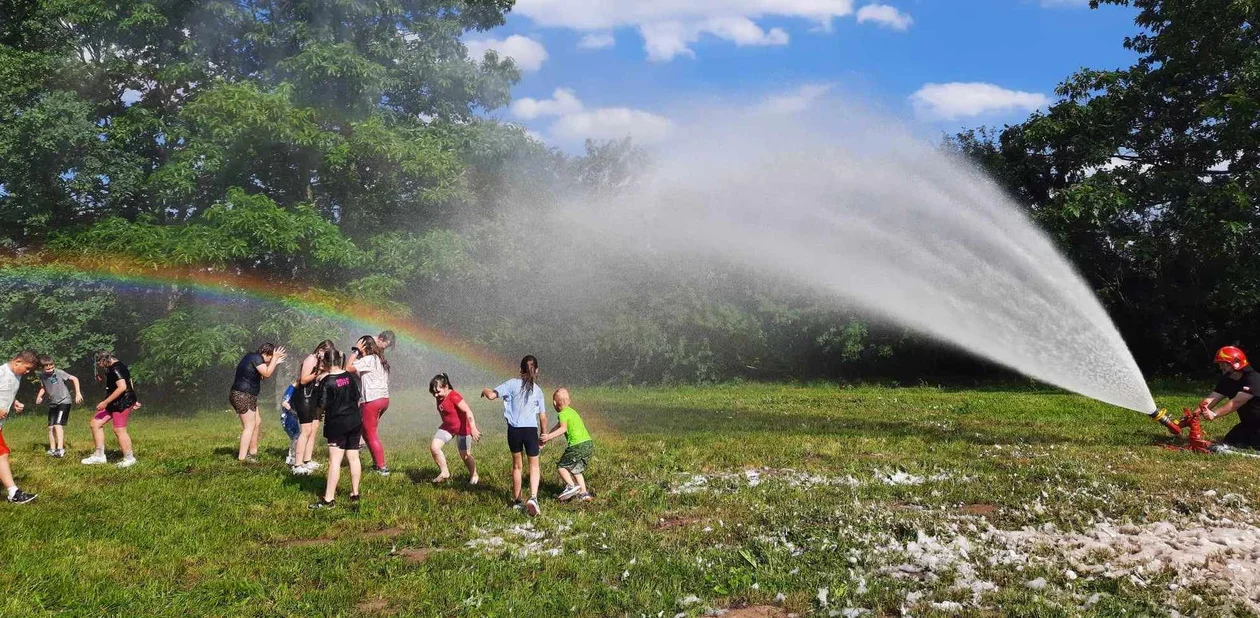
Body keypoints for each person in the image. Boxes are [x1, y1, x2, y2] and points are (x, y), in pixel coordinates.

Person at [482, 355, 548, 517]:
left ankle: (517, 500)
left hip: (514, 431)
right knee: (534, 466)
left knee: (517, 466)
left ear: (520, 370)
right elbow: (543, 417)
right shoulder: (538, 390)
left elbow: (491, 395)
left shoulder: (511, 384)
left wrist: (485, 390)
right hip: (530, 430)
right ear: (537, 371)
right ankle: (533, 497)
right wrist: (543, 434)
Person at [310, 350, 362, 509]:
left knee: (335, 461)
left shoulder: (327, 381)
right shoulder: (349, 376)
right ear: (339, 360)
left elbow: (322, 404)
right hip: (354, 421)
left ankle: (328, 499)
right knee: (353, 457)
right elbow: (357, 398)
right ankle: (355, 493)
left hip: (337, 424)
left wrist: (316, 417)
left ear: (325, 363)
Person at [229, 343, 287, 463]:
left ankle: (253, 451)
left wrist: (274, 362)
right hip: (243, 394)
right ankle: (242, 458)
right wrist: (275, 358)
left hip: (247, 395)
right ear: (266, 354)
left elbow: (262, 375)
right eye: (269, 358)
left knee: (257, 421)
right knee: (249, 426)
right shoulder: (256, 357)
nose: (268, 362)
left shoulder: (253, 358)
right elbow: (266, 373)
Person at [83, 350, 139, 468]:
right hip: (114, 401)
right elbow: (129, 381)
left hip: (122, 402)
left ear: (103, 360)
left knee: (119, 430)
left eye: (98, 364)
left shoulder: (116, 368)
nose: (98, 366)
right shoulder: (113, 366)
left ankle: (129, 458)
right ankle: (99, 456)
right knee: (95, 423)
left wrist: (105, 402)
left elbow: (123, 387)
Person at [1199, 346, 1260, 450]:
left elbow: (1236, 402)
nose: (1220, 367)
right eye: (1220, 364)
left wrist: (1214, 414)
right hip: (1249, 424)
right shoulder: (1227, 380)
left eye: (1223, 364)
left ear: (1235, 363)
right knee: (1230, 441)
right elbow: (1210, 400)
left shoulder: (1254, 379)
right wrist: (1189, 418)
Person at [346, 335, 390, 476]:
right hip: (383, 399)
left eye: (359, 345)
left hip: (372, 400)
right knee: (366, 432)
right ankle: (377, 464)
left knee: (370, 433)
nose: (357, 346)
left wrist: (355, 352)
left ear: (364, 346)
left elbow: (348, 368)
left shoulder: (369, 359)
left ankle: (382, 467)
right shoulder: (378, 359)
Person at [541, 387, 595, 503]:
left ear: (554, 403)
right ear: (569, 401)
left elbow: (563, 428)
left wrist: (548, 437)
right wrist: (547, 438)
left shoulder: (562, 414)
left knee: (561, 467)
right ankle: (583, 494)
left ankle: (571, 486)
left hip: (577, 446)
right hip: (588, 444)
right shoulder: (572, 411)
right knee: (576, 470)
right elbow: (558, 426)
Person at [428, 373, 481, 484]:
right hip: (448, 427)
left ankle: (474, 475)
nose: (436, 395)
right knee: (434, 447)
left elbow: (468, 411)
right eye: (434, 393)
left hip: (462, 429)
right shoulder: (440, 396)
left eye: (438, 392)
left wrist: (473, 428)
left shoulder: (454, 396)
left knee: (465, 455)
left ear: (446, 387)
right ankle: (445, 472)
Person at [0, 351, 38, 503]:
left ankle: (13, 492)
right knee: (2, 455)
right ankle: (13, 492)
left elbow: (6, 391)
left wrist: (14, 401)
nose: (27, 372)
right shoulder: (1, 373)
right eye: (27, 368)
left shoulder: (17, 375)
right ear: (18, 362)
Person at [293, 340, 335, 475]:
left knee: (313, 429)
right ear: (320, 350)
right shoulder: (311, 359)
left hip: (314, 398)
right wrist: (319, 372)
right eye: (326, 354)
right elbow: (303, 380)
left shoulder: (321, 361)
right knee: (305, 430)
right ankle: (297, 464)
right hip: (304, 396)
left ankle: (307, 460)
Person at [34, 354, 83, 458]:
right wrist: (39, 397)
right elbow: (43, 387)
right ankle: (52, 449)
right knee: (51, 427)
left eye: (52, 367)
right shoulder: (42, 376)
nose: (50, 369)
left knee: (57, 425)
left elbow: (74, 379)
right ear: (42, 368)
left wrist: (77, 393)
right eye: (47, 368)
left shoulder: (59, 373)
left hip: (64, 401)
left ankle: (60, 449)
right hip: (53, 403)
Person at [280, 380, 301, 466]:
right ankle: (292, 458)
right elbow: (284, 403)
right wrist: (293, 412)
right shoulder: (292, 389)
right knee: (296, 437)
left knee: (297, 437)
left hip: (292, 418)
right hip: (288, 418)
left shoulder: (295, 389)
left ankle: (294, 457)